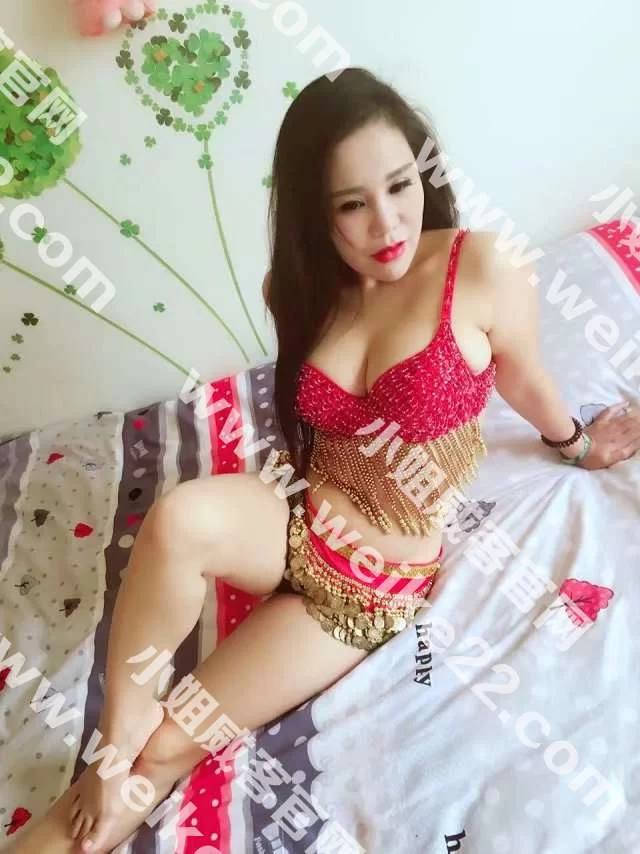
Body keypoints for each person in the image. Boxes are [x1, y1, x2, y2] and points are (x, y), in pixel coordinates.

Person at [14, 67, 640, 854]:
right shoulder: (301, 289)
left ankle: (101, 797)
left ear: (422, 172)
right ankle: (112, 746)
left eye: (400, 185)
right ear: (317, 212)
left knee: (168, 745)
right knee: (176, 521)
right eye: (351, 204)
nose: (387, 223)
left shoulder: (482, 268)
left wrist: (576, 443)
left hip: (366, 588)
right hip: (297, 518)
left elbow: (524, 375)